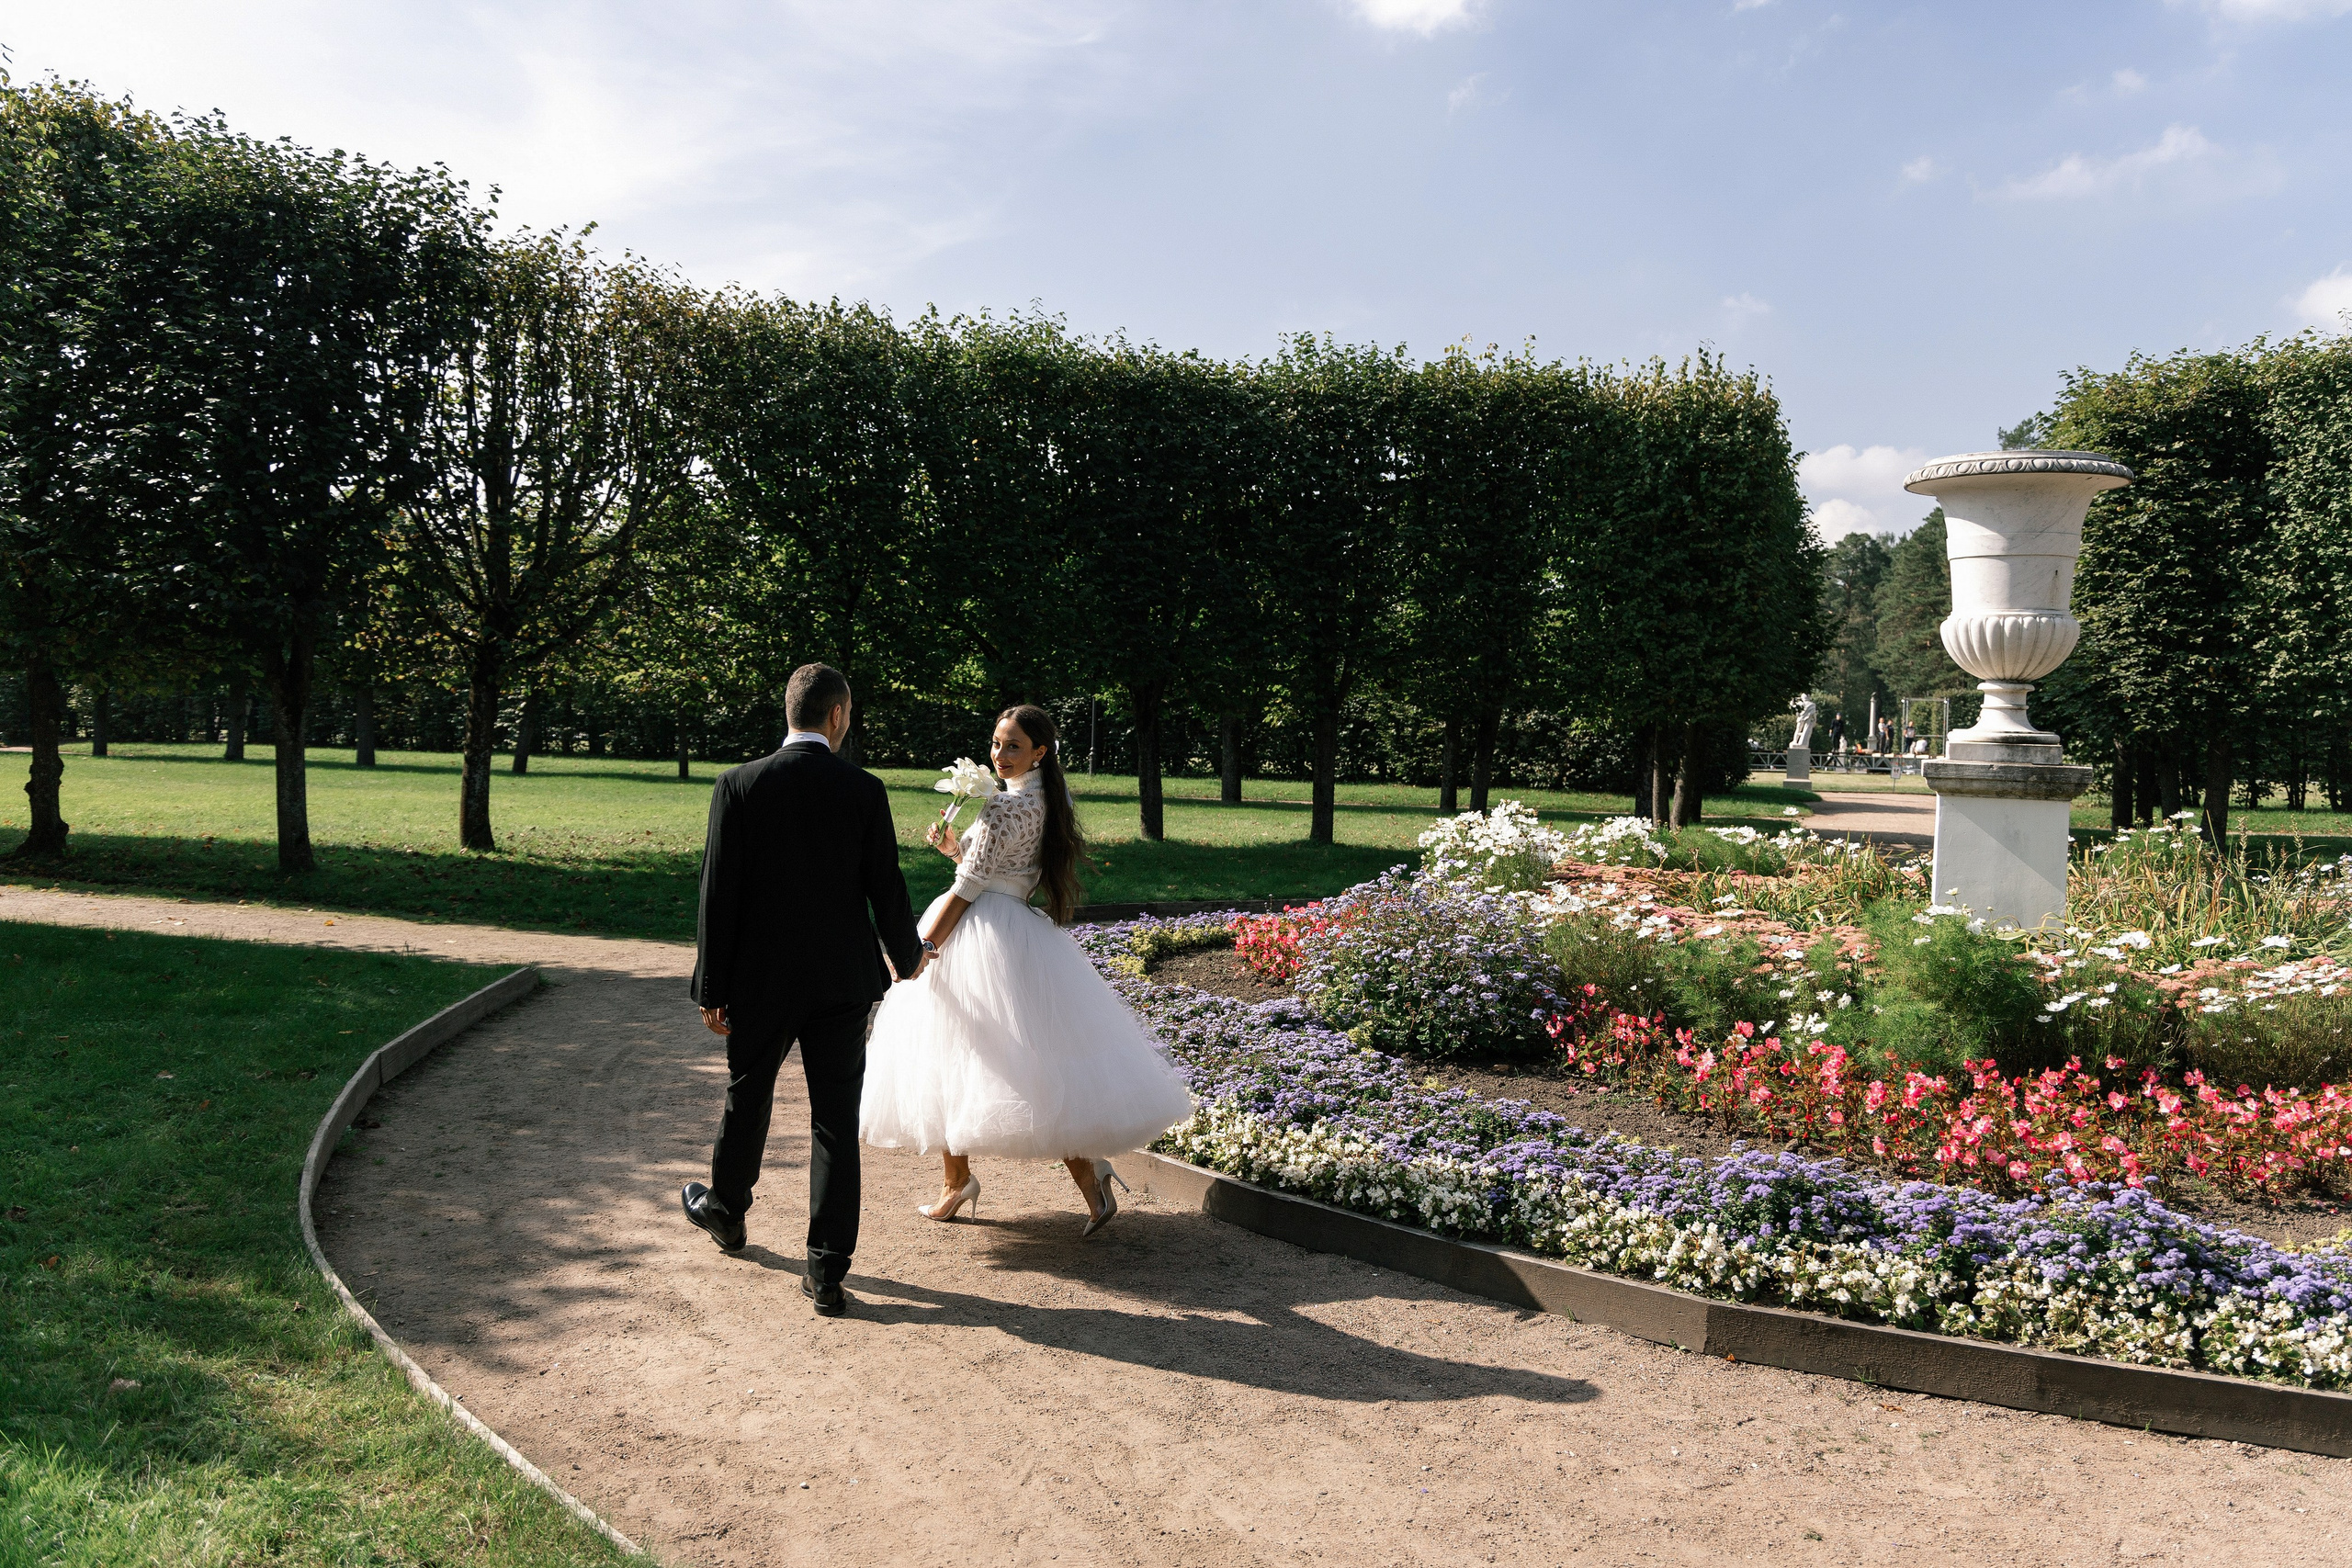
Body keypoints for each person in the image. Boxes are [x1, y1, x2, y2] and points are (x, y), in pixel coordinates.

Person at [861, 704, 1195, 1235]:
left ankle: (959, 1182)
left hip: (977, 935)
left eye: (1012, 746)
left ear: (1040, 751)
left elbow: (967, 892)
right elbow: (1004, 873)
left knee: (953, 1051)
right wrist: (956, 848)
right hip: (1017, 930)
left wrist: (920, 949)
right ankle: (1086, 1179)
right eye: (996, 743)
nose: (999, 754)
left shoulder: (1001, 809)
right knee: (1034, 1062)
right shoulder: (1047, 799)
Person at [680, 662, 924, 1318]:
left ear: (789, 710)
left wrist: (713, 985)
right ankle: (826, 1271)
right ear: (837, 715)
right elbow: (886, 886)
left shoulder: (738, 785)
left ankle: (727, 1211)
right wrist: (908, 956)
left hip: (759, 981)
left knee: (747, 1094)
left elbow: (718, 892)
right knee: (834, 1121)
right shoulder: (865, 789)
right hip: (842, 981)